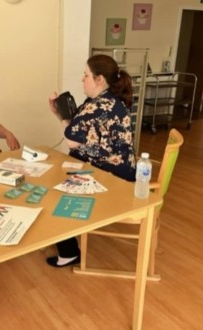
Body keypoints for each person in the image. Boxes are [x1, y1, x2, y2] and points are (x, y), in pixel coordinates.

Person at [46, 54, 137, 267]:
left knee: (53, 191)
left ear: (100, 79)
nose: (82, 79)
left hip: (111, 177)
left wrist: (63, 118)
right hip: (106, 168)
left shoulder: (99, 106)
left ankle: (69, 252)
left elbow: (70, 139)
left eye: (86, 75)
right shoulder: (100, 101)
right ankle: (67, 242)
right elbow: (76, 130)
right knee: (54, 178)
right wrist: (60, 115)